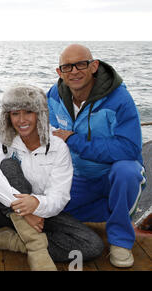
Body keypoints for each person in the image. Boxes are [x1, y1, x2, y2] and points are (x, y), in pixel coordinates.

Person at [0, 84, 104, 271]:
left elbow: (59, 196)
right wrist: (25, 210)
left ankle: (15, 242)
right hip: (6, 212)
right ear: (8, 116)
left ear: (40, 114)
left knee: (92, 245)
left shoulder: (58, 146)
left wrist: (36, 205)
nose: (21, 120)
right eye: (15, 113)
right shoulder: (2, 137)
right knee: (8, 166)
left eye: (28, 112)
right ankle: (36, 249)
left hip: (42, 212)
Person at [47, 44, 146, 268]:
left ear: (94, 66)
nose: (74, 71)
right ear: (59, 72)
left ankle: (120, 240)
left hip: (112, 175)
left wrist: (74, 139)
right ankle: (110, 208)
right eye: (67, 67)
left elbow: (129, 148)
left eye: (81, 64)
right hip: (78, 177)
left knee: (127, 171)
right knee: (50, 210)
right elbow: (39, 128)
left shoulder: (119, 98)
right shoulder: (53, 96)